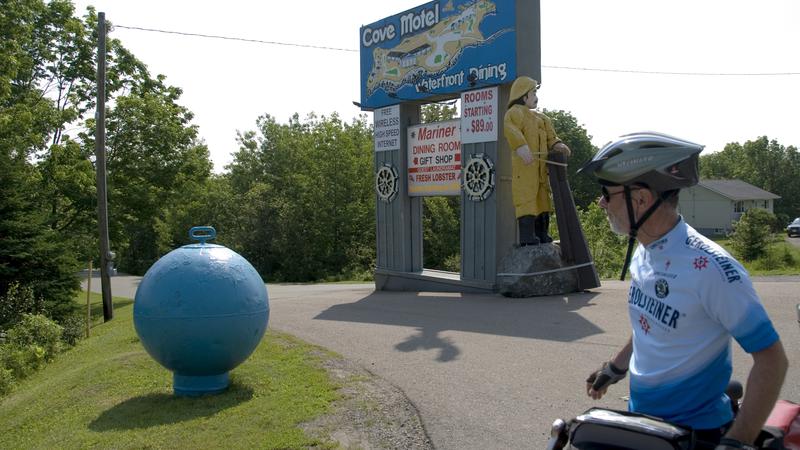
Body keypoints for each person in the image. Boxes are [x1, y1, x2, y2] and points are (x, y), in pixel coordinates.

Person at [578, 132, 788, 450]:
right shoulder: (646, 250)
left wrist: (736, 442)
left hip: (695, 434)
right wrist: (615, 367)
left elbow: (772, 360)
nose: (601, 202)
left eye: (608, 193)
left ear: (641, 200)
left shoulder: (712, 268)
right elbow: (652, 321)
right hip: (645, 424)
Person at [503, 76, 571, 246]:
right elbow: (510, 128)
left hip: (541, 169)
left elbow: (551, 137)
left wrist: (558, 145)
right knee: (526, 198)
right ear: (523, 95)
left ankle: (542, 234)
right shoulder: (515, 112)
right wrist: (520, 146)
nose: (535, 96)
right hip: (524, 168)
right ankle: (527, 236)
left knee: (543, 199)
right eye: (533, 92)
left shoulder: (542, 118)